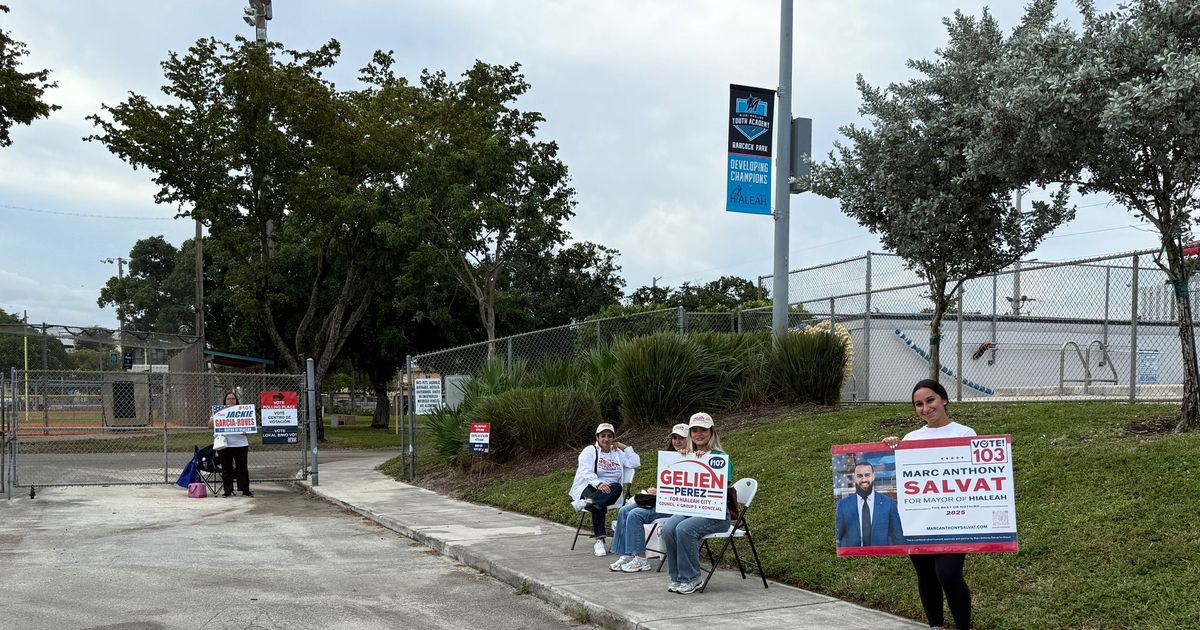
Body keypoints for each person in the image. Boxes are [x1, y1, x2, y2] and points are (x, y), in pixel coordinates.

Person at [883, 378, 976, 630]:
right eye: (918, 404)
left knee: (948, 574)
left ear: (944, 399)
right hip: (919, 519)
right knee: (926, 575)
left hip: (953, 520)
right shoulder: (911, 438)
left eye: (930, 400)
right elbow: (897, 475)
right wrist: (891, 447)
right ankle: (935, 625)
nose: (925, 408)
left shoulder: (966, 434)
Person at [660, 412, 734, 595]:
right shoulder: (686, 455)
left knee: (684, 529)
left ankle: (692, 578)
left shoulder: (720, 458)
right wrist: (684, 459)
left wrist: (706, 462)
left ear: (712, 432)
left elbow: (721, 488)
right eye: (694, 430)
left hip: (716, 514)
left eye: (703, 430)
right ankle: (677, 577)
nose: (699, 434)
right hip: (691, 509)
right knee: (668, 528)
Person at [608, 423, 690, 573]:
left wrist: (660, 492)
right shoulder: (670, 458)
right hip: (663, 501)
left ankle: (641, 559)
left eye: (681, 438)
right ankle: (626, 554)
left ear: (689, 440)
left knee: (635, 514)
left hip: (678, 506)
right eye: (674, 438)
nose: (677, 441)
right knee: (625, 510)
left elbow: (687, 490)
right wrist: (657, 491)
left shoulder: (694, 459)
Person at [568, 423, 641, 557]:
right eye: (603, 436)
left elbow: (635, 463)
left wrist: (624, 447)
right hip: (589, 486)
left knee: (615, 487)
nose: (606, 439)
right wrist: (599, 484)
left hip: (611, 490)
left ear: (613, 438)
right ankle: (600, 540)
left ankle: (587, 502)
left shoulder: (617, 452)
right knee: (599, 503)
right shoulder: (590, 451)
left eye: (609, 436)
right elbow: (585, 471)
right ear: (597, 437)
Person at [835, 460, 905, 547]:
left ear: (873, 476)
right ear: (854, 478)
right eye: (860, 476)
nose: (864, 479)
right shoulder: (843, 505)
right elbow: (838, 536)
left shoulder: (889, 504)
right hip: (853, 557)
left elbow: (898, 537)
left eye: (867, 475)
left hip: (882, 556)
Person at [210, 390, 253, 498]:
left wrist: (247, 429)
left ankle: (245, 490)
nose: (231, 400)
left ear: (236, 400)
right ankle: (228, 490)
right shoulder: (219, 411)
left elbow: (249, 428)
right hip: (224, 444)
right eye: (228, 398)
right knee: (226, 468)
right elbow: (210, 426)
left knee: (242, 468)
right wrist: (214, 416)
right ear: (225, 401)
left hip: (240, 443)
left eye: (233, 398)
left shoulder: (243, 411)